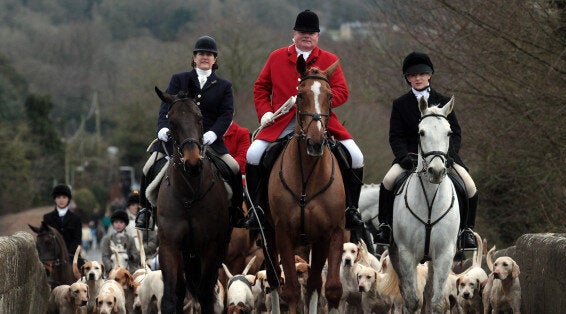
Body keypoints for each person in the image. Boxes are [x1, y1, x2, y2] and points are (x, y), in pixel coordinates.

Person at [242, 9, 364, 230]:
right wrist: (266, 113)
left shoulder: (330, 60)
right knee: (253, 154)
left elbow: (342, 91)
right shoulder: (276, 56)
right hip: (281, 122)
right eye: (302, 32)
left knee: (356, 156)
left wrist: (318, 101)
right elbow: (261, 87)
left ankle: (351, 210)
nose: (306, 36)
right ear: (294, 33)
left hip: (319, 122)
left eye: (311, 32)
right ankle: (256, 209)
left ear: (318, 36)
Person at [135, 35, 246, 230]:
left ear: (215, 59)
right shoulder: (179, 79)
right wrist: (162, 128)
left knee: (234, 167)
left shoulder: (224, 86)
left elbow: (226, 114)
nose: (205, 57)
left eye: (210, 54)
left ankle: (236, 211)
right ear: (194, 57)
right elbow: (166, 106)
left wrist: (213, 133)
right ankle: (144, 213)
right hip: (178, 138)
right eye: (201, 53)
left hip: (209, 141)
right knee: (148, 167)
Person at [373, 51, 479, 251]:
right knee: (387, 182)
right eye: (412, 75)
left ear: (429, 75)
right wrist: (403, 156)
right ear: (407, 78)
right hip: (410, 158)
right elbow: (395, 135)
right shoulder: (400, 104)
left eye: (421, 74)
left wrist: (449, 156)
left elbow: (455, 133)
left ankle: (466, 232)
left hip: (444, 157)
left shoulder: (444, 100)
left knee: (470, 187)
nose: (417, 78)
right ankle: (385, 227)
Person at [43, 183, 84, 266]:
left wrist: (66, 253)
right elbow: (45, 239)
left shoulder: (76, 218)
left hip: (71, 256)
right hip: (52, 257)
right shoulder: (47, 218)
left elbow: (77, 240)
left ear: (68, 199)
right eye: (58, 197)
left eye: (64, 197)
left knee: (82, 272)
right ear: (55, 199)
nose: (61, 200)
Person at [125, 191, 158, 258]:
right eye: (133, 205)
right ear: (129, 207)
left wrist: (140, 250)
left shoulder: (148, 220)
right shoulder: (124, 221)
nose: (136, 207)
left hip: (146, 255)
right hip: (128, 257)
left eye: (138, 204)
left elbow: (153, 242)